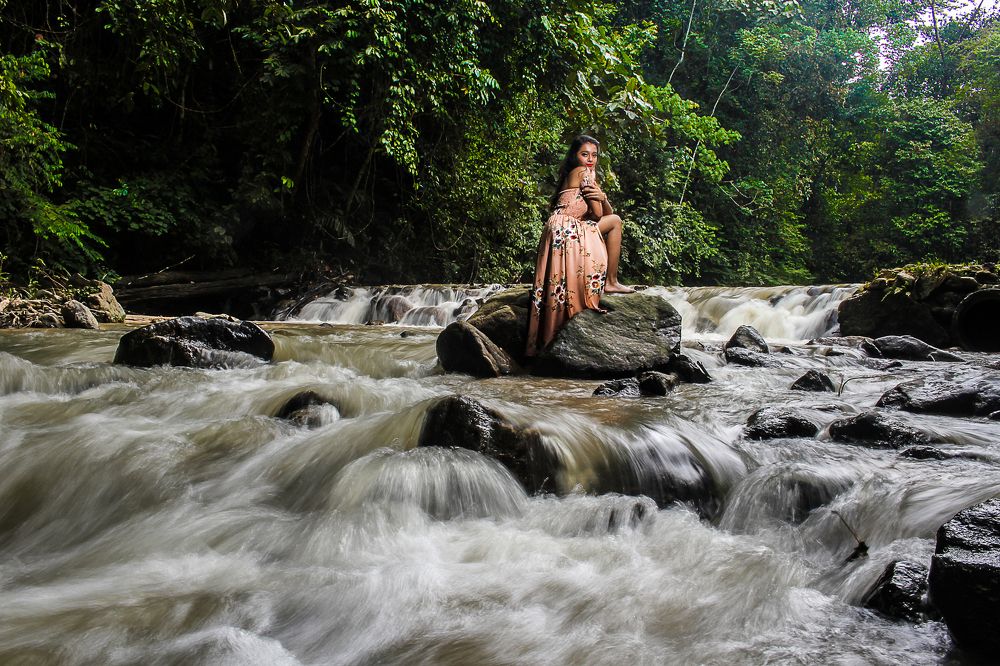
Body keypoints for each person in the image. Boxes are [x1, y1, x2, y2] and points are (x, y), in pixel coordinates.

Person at [526, 135, 633, 356]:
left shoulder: (569, 174)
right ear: (575, 156)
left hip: (555, 230)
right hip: (568, 229)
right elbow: (599, 214)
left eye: (594, 155)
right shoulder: (585, 174)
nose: (590, 159)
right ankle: (611, 282)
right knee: (616, 222)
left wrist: (602, 196)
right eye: (585, 154)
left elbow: (599, 209)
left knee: (613, 221)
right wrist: (601, 199)